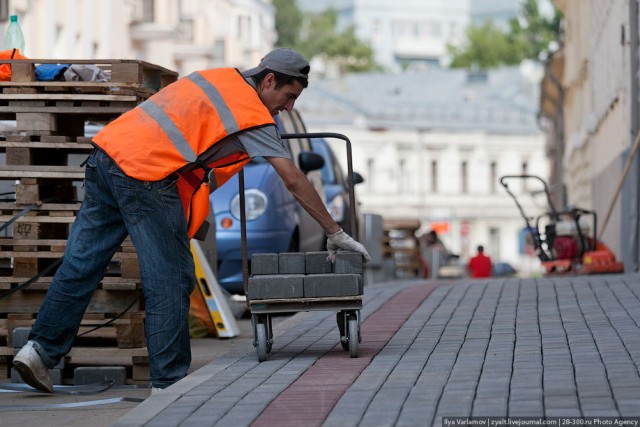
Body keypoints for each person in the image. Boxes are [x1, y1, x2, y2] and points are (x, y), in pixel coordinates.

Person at [13, 48, 371, 393]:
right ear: (269, 81)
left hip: (107, 156)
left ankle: (38, 351)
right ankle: (168, 385)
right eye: (288, 95)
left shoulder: (214, 79)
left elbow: (191, 145)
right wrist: (335, 231)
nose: (288, 106)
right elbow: (293, 179)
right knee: (170, 279)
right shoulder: (253, 114)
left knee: (81, 263)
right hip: (146, 176)